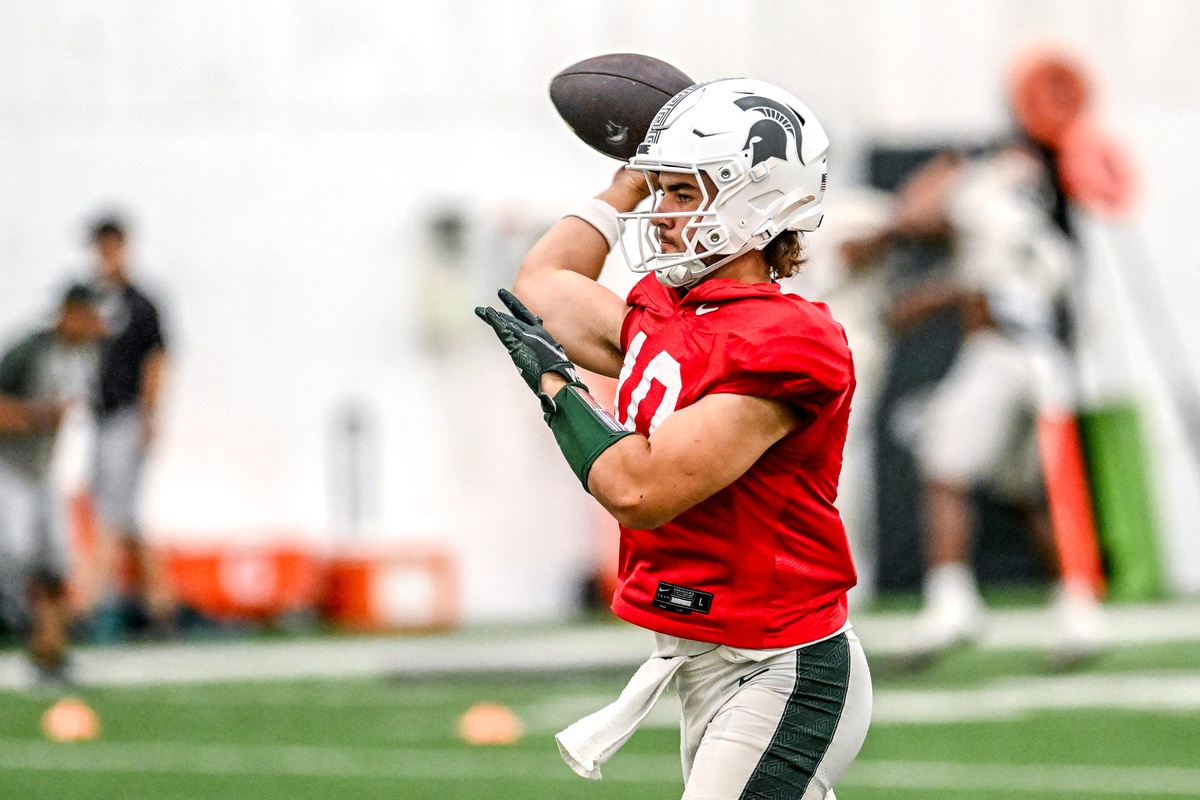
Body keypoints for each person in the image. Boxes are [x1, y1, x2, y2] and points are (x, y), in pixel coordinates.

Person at [477, 78, 871, 800]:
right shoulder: (669, 312)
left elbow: (641, 488)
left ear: (756, 201)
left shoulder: (787, 339)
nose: (660, 215)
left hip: (781, 663)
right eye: (662, 192)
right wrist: (627, 179)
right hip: (708, 657)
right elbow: (541, 284)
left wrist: (558, 388)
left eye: (683, 193)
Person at [843, 139, 1106, 667]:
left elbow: (917, 222)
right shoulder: (1038, 223)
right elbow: (987, 281)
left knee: (943, 466)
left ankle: (951, 601)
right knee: (1027, 493)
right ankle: (1079, 608)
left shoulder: (983, 190)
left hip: (999, 350)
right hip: (1046, 358)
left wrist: (940, 176)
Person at [74, 215, 175, 638]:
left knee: (110, 512)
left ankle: (84, 604)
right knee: (125, 515)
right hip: (98, 419)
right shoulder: (88, 300)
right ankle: (160, 607)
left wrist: (150, 416)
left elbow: (156, 361)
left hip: (127, 417)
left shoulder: (140, 303)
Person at [0, 283, 106, 683]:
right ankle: (30, 638)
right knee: (16, 555)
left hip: (44, 470)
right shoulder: (29, 353)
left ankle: (51, 650)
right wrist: (39, 417)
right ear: (69, 313)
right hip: (10, 468)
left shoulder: (85, 354)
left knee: (57, 561)